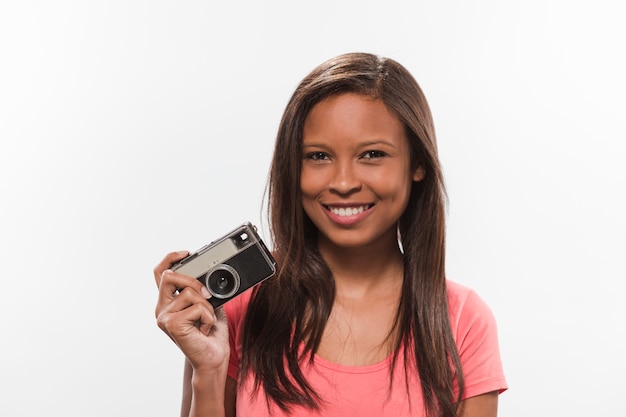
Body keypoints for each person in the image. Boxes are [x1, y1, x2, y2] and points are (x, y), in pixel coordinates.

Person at [154, 52, 507, 417]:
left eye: (371, 154)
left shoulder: (462, 321)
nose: (342, 183)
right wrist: (207, 371)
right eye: (319, 156)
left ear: (417, 164)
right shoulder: (240, 309)